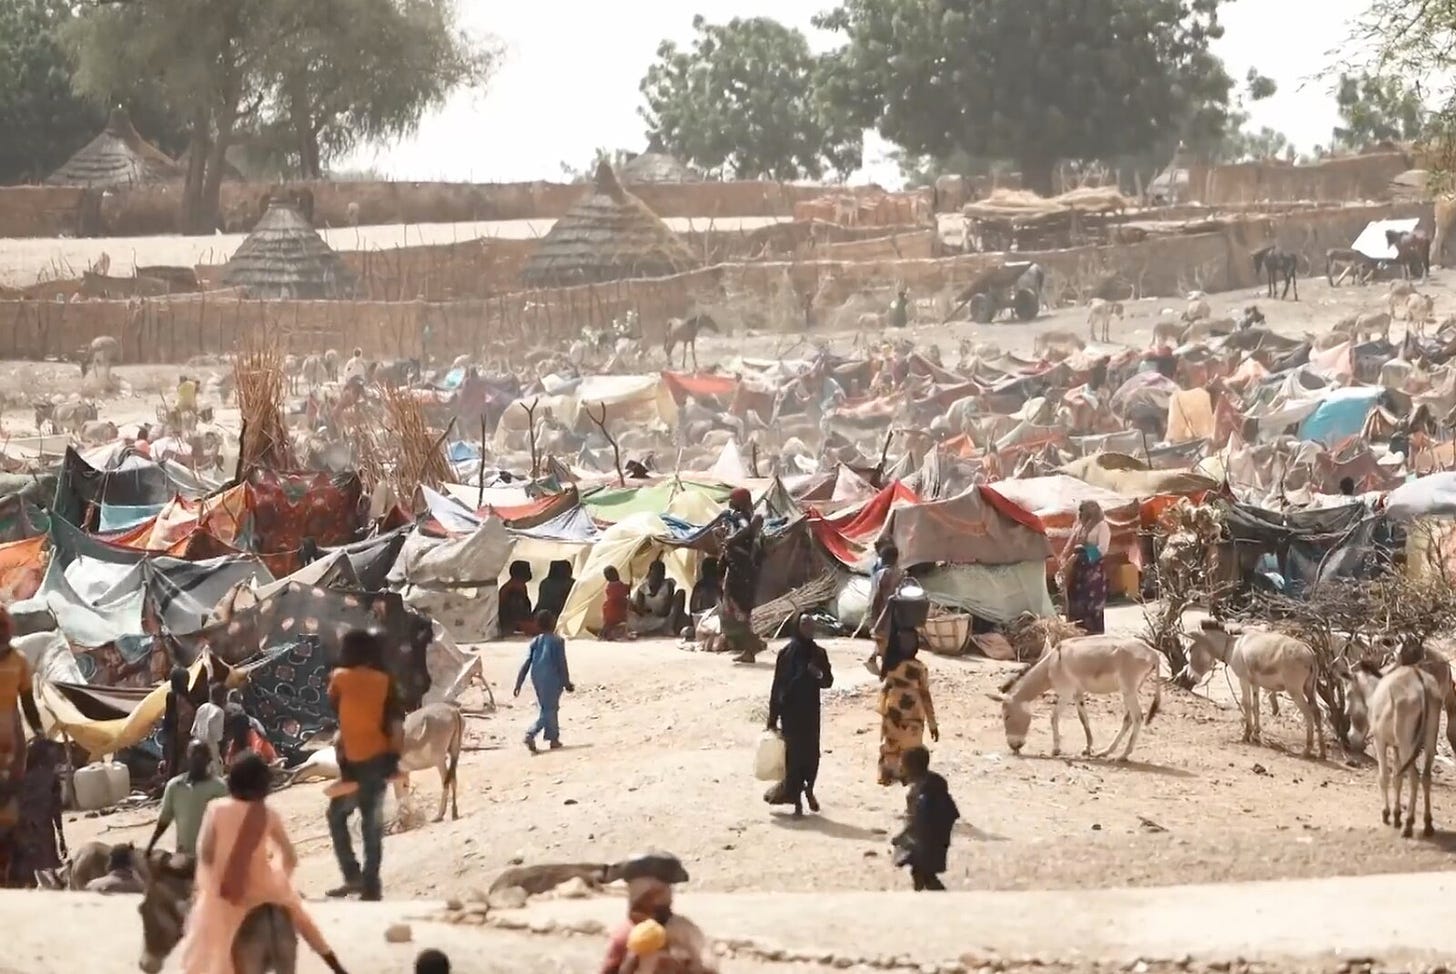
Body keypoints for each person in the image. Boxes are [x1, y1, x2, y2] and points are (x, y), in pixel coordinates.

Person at [180, 753, 347, 974]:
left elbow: (205, 852)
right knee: (301, 918)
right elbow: (290, 857)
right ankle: (334, 964)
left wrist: (207, 884)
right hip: (265, 888)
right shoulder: (268, 814)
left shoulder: (215, 809)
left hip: (225, 893)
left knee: (203, 947)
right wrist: (278, 880)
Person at [326, 630, 401, 901]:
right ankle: (371, 886)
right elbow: (396, 726)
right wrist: (394, 759)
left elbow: (335, 708)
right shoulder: (385, 681)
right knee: (372, 826)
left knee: (336, 817)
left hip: (351, 762)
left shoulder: (339, 678)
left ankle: (352, 875)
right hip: (379, 760)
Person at [765, 613, 834, 818]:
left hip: (811, 713)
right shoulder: (786, 654)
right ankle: (796, 802)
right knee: (793, 758)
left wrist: (818, 674)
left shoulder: (819, 654)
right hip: (791, 713)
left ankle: (809, 789)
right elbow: (777, 686)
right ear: (797, 627)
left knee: (812, 755)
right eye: (804, 624)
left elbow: (828, 681)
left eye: (811, 624)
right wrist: (772, 716)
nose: (808, 628)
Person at [0, 607, 44, 883]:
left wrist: (39, 731)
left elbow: (28, 702)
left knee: (11, 803)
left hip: (11, 745)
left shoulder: (19, 661)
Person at [877, 623, 937, 786]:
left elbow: (925, 694)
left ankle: (900, 774)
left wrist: (932, 723)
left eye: (911, 640)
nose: (908, 644)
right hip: (902, 713)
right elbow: (877, 637)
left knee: (902, 746)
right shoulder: (889, 663)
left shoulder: (893, 664)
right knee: (894, 744)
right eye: (904, 641)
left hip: (903, 712)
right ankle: (893, 774)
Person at [892, 746, 959, 892]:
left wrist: (900, 837)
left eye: (902, 765)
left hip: (924, 841)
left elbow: (916, 821)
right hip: (939, 839)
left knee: (922, 873)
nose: (900, 768)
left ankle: (927, 900)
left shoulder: (917, 792)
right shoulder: (937, 782)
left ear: (911, 768)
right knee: (924, 873)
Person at [148, 740, 228, 857]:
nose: (198, 758)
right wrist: (150, 846)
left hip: (211, 856)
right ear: (187, 756)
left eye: (202, 754)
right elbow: (164, 820)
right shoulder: (174, 786)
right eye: (194, 753)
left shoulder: (219, 788)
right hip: (184, 856)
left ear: (209, 759)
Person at [9, 738, 66, 888]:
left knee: (25, 874)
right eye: (53, 756)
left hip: (21, 830)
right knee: (47, 874)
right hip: (42, 832)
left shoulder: (17, 775)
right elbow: (56, 809)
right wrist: (61, 835)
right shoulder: (51, 778)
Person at [514, 610, 573, 754]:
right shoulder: (558, 641)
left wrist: (519, 682)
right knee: (550, 709)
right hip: (552, 678)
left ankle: (553, 739)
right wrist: (567, 682)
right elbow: (561, 663)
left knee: (548, 707)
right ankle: (530, 734)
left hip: (537, 677)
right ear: (553, 624)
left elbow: (527, 662)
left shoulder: (535, 641)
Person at [718, 488, 766, 663]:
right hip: (743, 572)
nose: (730, 503)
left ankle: (751, 647)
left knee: (740, 611)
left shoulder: (741, 517)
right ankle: (751, 646)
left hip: (740, 573)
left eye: (732, 499)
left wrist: (731, 540)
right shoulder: (744, 516)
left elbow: (746, 530)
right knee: (742, 612)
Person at [1059, 500, 1111, 635]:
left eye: (1083, 510)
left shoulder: (1101, 526)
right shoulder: (1080, 527)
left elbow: (1103, 549)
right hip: (1078, 571)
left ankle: (1094, 635)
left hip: (1093, 570)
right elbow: (1070, 547)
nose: (1080, 514)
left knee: (1092, 604)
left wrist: (1084, 552)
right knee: (1075, 601)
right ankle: (1078, 634)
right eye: (1080, 511)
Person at [866, 542, 905, 674]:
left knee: (883, 639)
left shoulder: (880, 574)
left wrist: (871, 613)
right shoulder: (901, 574)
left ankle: (875, 661)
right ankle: (883, 668)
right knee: (886, 641)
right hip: (894, 614)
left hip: (882, 612)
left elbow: (875, 596)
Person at [629, 560, 686, 636]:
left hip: (665, 617)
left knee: (681, 593)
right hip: (647, 618)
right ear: (649, 574)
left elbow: (665, 611)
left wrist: (653, 609)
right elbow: (640, 611)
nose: (656, 577)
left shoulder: (668, 585)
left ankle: (669, 627)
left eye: (659, 574)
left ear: (663, 575)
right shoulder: (643, 588)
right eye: (654, 574)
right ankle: (657, 628)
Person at [160, 667, 196, 780]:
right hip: (176, 736)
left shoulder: (188, 695)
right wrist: (173, 738)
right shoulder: (172, 696)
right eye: (184, 679)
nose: (186, 681)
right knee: (174, 763)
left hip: (186, 735)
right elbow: (170, 718)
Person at [191, 683, 228, 772]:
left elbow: (193, 731)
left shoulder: (202, 707)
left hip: (196, 746)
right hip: (210, 749)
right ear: (223, 697)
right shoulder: (219, 712)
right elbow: (218, 737)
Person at [499, 560, 535, 636]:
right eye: (528, 570)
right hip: (511, 625)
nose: (530, 573)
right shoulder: (513, 589)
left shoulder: (520, 586)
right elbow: (516, 614)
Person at [600, 566, 633, 642]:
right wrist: (629, 586)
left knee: (609, 624)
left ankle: (605, 634)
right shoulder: (617, 585)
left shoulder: (609, 586)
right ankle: (607, 634)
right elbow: (624, 591)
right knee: (615, 622)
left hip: (609, 608)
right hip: (618, 608)